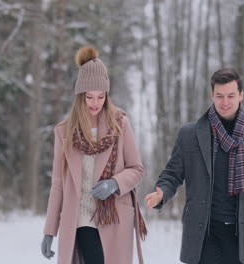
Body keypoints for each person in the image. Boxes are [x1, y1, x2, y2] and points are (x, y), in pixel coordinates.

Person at [145, 67, 244, 264]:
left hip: (241, 234)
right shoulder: (190, 134)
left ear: (241, 95)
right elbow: (173, 174)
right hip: (203, 234)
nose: (225, 102)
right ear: (212, 95)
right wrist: (162, 192)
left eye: (231, 96)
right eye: (219, 96)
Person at [41, 46, 146, 264]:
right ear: (80, 96)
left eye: (101, 96)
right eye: (89, 97)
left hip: (113, 218)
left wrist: (115, 183)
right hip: (80, 220)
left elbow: (137, 169)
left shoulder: (120, 125)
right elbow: (58, 183)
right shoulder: (65, 132)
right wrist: (50, 230)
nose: (95, 103)